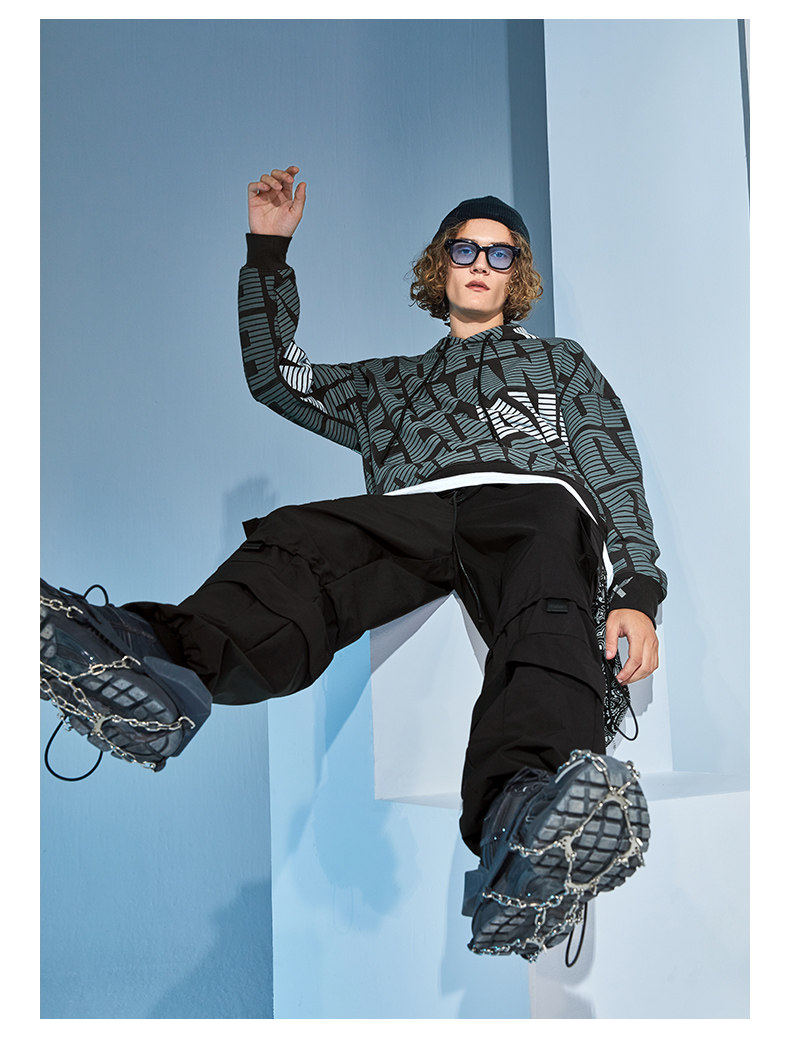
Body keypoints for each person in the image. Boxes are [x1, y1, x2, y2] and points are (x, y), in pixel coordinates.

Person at [40, 164, 665, 961]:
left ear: (518, 276)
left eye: (500, 253)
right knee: (304, 533)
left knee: (545, 595)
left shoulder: (560, 363)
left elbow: (611, 464)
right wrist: (268, 252)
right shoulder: (387, 387)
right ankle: (156, 666)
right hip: (416, 511)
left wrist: (637, 588)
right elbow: (280, 378)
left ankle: (525, 822)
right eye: (464, 249)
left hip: (531, 505)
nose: (481, 263)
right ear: (440, 266)